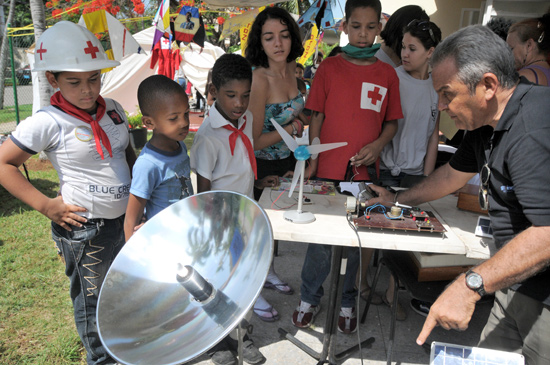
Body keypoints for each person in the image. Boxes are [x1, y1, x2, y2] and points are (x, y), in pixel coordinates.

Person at [368, 25, 550, 364]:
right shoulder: (486, 124)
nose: (441, 105)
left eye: (447, 94)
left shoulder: (532, 128)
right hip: (514, 284)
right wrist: (397, 200)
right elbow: (451, 175)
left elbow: (547, 233)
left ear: (488, 85)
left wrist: (469, 285)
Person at [0, 22, 135, 365]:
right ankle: (102, 360)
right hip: (86, 229)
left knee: (123, 292)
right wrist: (47, 206)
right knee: (93, 303)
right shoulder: (48, 121)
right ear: (52, 80)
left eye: (94, 78)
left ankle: (127, 349)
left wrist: (137, 202)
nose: (88, 90)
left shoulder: (115, 109)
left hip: (125, 221)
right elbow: (4, 165)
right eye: (74, 82)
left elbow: (126, 154)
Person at [292, 0, 402, 334]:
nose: (363, 33)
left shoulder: (387, 74)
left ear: (379, 29)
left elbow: (392, 123)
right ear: (344, 27)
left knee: (356, 242)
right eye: (356, 26)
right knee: (321, 241)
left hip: (364, 174)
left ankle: (347, 300)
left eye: (371, 27)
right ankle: (310, 296)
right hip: (327, 168)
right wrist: (313, 156)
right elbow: (317, 115)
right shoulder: (329, 67)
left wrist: (377, 146)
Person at [190, 53, 276, 365]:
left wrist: (258, 183)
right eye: (231, 96)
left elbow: (241, 164)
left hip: (246, 213)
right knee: (219, 282)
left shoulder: (247, 119)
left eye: (246, 95)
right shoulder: (207, 137)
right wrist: (212, 229)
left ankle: (242, 334)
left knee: (245, 279)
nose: (239, 103)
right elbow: (203, 190)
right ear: (213, 91)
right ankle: (218, 341)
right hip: (219, 222)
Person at [375, 19, 442, 321]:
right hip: (387, 169)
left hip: (416, 174)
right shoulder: (392, 78)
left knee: (406, 238)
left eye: (412, 48)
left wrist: (427, 176)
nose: (404, 53)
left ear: (430, 52)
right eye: (403, 46)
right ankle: (362, 286)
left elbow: (433, 135)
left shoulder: (437, 87)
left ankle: (392, 291)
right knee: (379, 232)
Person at [245, 7, 307, 321]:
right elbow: (252, 140)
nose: (278, 43)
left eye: (284, 35)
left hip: (289, 160)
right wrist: (295, 128)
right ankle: (251, 294)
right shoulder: (260, 78)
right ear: (260, 42)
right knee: (257, 232)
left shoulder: (294, 70)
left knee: (275, 231)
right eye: (269, 37)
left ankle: (267, 274)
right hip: (262, 165)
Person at [123, 75, 193, 241]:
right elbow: (131, 220)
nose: (184, 122)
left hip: (185, 235)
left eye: (186, 113)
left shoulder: (180, 146)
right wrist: (131, 259)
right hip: (163, 242)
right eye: (173, 118)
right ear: (149, 123)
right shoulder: (147, 164)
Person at [506, 13, 550, 86]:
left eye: (511, 48)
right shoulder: (546, 71)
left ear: (529, 45)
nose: (508, 54)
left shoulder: (523, 77)